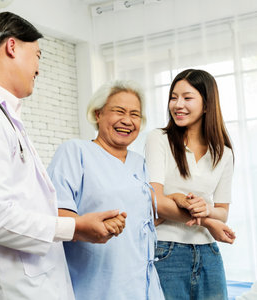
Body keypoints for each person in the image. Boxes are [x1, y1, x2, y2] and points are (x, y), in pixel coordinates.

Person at [0, 12, 124, 300]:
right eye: (37, 55)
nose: (38, 68)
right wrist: (75, 228)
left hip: (29, 284)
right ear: (12, 47)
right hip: (7, 289)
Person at [47, 80, 164, 299]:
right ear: (98, 114)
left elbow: (149, 217)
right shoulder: (75, 152)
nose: (127, 121)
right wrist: (90, 226)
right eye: (119, 111)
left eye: (135, 114)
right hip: (95, 286)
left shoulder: (141, 163)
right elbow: (57, 216)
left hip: (143, 286)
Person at [145, 69, 236, 300]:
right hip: (166, 249)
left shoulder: (223, 153)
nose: (177, 104)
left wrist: (207, 210)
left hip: (208, 252)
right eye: (173, 97)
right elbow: (155, 201)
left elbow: (222, 213)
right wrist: (207, 221)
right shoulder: (159, 139)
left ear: (207, 105)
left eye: (187, 97)